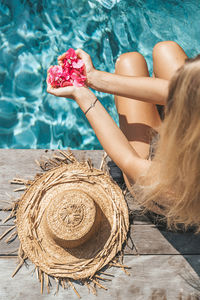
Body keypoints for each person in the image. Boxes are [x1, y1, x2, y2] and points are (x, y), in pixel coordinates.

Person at [47, 41, 200, 232]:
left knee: (128, 62)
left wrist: (81, 93)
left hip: (159, 194)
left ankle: (159, 113)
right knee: (164, 49)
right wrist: (95, 78)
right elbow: (173, 92)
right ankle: (161, 110)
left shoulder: (168, 183)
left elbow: (126, 158)